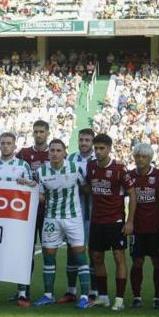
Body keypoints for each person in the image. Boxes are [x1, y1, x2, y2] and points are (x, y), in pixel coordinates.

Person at [31, 139, 91, 309]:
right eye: (52, 150)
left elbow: (85, 188)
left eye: (58, 150)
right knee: (48, 257)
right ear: (48, 152)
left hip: (73, 218)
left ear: (65, 152)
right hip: (51, 218)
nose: (55, 153)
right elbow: (42, 197)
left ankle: (85, 296)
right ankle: (48, 295)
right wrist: (32, 188)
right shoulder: (41, 172)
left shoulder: (74, 168)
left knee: (80, 256)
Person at [0, 132, 33, 307]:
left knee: (20, 254)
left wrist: (27, 184)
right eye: (2, 143)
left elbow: (32, 189)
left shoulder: (23, 165)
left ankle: (22, 294)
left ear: (14, 146)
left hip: (17, 219)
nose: (5, 146)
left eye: (9, 143)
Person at [86, 133, 136, 311]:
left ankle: (120, 299)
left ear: (109, 149)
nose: (98, 152)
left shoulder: (119, 169)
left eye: (102, 148)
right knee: (97, 257)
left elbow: (132, 194)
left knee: (118, 257)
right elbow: (86, 187)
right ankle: (104, 297)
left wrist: (129, 221)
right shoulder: (90, 166)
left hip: (115, 220)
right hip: (96, 220)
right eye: (96, 148)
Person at [15, 120, 50, 302]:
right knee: (25, 251)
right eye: (35, 131)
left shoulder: (54, 153)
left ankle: (49, 292)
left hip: (48, 211)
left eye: (41, 131)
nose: (38, 134)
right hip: (27, 212)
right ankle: (23, 290)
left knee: (48, 252)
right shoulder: (24, 154)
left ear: (47, 133)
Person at [127, 144, 159, 309]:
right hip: (137, 228)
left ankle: (157, 298)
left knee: (158, 262)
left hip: (157, 228)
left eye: (144, 156)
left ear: (150, 159)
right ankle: (137, 297)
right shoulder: (129, 175)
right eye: (138, 156)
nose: (140, 159)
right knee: (137, 263)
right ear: (134, 157)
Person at [61, 128, 96, 303]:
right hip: (72, 213)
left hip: (93, 213)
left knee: (94, 252)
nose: (83, 143)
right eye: (81, 139)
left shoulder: (98, 159)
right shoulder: (70, 159)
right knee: (71, 251)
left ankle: (94, 290)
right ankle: (71, 290)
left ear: (93, 142)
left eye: (87, 140)